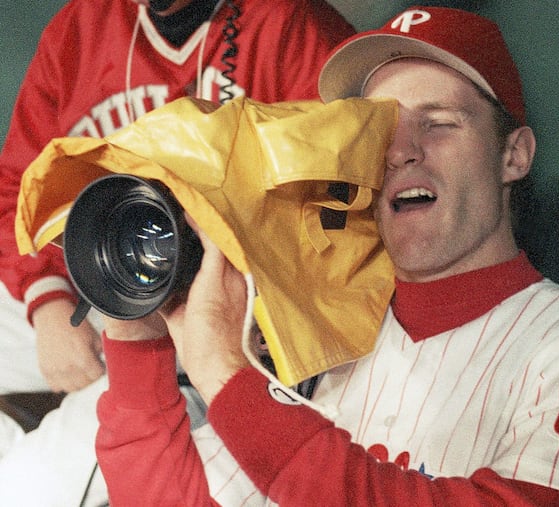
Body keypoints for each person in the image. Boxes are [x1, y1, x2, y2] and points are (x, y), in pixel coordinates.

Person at [95, 6, 559, 506]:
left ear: (514, 155)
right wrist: (136, 345)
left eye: (439, 124)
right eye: (376, 133)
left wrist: (226, 375)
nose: (401, 151)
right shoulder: (327, 336)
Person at [0, 0, 354, 504]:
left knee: (22, 491)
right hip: (98, 281)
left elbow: (341, 217)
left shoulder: (290, 24)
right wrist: (46, 296)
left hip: (210, 329)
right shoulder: (80, 26)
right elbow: (18, 184)